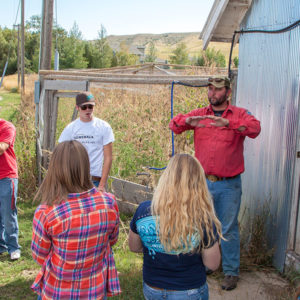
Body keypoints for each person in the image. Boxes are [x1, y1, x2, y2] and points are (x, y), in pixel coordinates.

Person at [169, 76, 261, 291]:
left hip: (228, 184)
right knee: (201, 224)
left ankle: (230, 271)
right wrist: (187, 122)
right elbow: (174, 125)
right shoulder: (201, 114)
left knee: (227, 228)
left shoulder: (238, 114)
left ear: (228, 92)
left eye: (218, 90)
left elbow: (255, 129)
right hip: (201, 183)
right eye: (210, 89)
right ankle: (208, 264)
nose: (212, 93)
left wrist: (229, 124)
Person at [31, 140, 121, 300]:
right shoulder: (109, 202)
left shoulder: (46, 212)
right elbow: (112, 240)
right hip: (95, 291)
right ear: (86, 166)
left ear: (55, 169)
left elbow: (39, 254)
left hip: (57, 291)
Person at [129, 153, 222, 300]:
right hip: (190, 290)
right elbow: (212, 264)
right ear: (198, 183)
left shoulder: (143, 211)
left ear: (166, 178)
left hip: (153, 288)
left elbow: (134, 247)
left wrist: (158, 246)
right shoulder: (203, 218)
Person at [58, 92, 114, 192]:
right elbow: (61, 155)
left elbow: (108, 157)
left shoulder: (104, 127)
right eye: (84, 107)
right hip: (75, 180)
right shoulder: (70, 128)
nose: (88, 110)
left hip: (95, 181)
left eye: (90, 106)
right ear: (77, 108)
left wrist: (101, 185)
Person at [0, 118, 21, 260]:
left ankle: (13, 247)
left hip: (7, 176)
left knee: (8, 213)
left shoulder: (7, 126)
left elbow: (2, 148)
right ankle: (1, 246)